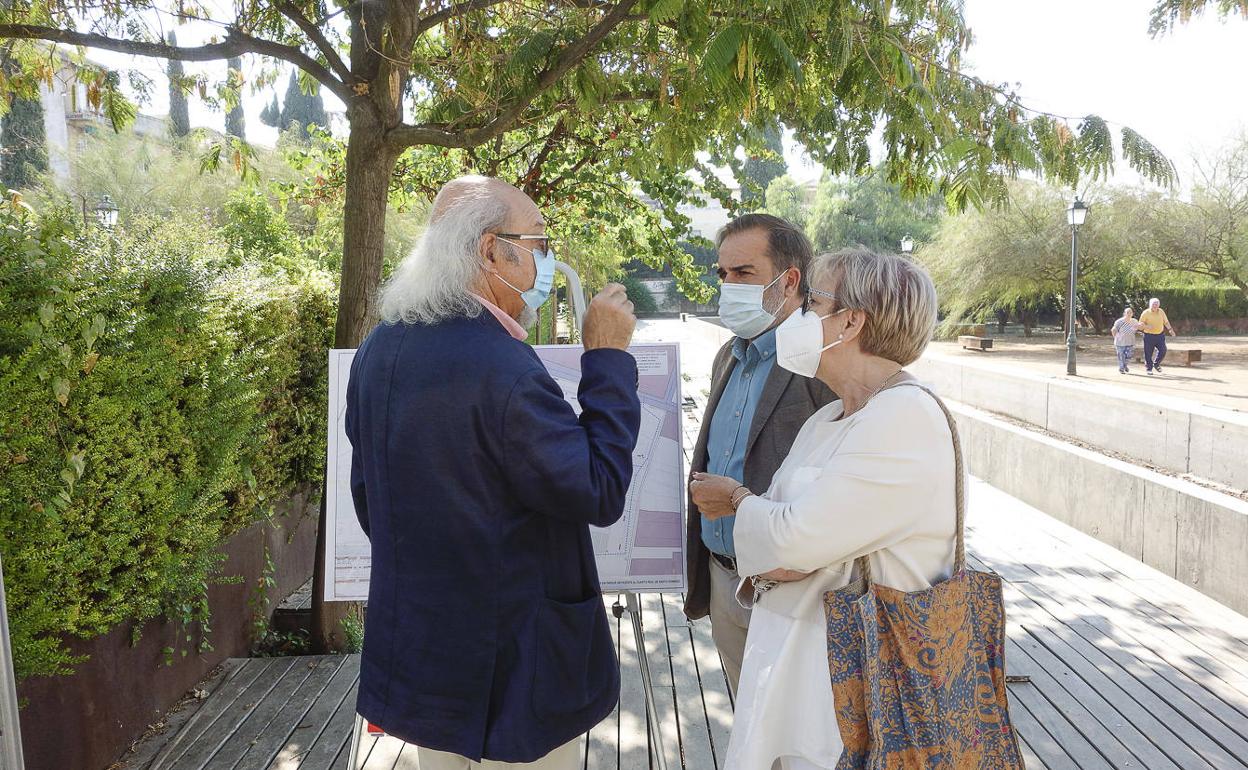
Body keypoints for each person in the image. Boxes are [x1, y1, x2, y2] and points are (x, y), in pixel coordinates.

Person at [345, 176, 642, 769]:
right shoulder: (500, 365)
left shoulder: (382, 346)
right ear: (488, 250)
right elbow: (598, 488)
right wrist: (608, 358)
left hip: (428, 648)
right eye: (537, 242)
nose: (546, 261)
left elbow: (368, 498)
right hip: (515, 661)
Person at [689, 248, 957, 770]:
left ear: (851, 321)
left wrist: (741, 503)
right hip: (804, 669)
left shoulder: (905, 416)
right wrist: (778, 536)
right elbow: (787, 547)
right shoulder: (833, 415)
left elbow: (789, 544)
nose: (798, 314)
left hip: (860, 684)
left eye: (811, 302)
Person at [683, 213, 835, 695]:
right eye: (722, 274)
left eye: (743, 273)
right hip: (723, 577)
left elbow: (835, 481)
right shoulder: (728, 354)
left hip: (795, 593)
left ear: (789, 281)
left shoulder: (822, 361)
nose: (728, 285)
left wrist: (738, 501)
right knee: (748, 736)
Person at [1139, 297, 1176, 375]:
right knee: (1148, 353)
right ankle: (1149, 368)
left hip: (1160, 335)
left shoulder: (1161, 311)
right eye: (1153, 304)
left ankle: (1156, 364)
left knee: (1163, 350)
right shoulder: (1145, 313)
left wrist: (1170, 330)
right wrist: (1146, 326)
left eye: (1157, 304)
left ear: (1159, 305)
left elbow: (1166, 322)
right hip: (1149, 336)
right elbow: (1140, 325)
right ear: (1150, 305)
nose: (1155, 306)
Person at [1111, 306, 1144, 374]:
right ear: (1124, 313)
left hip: (1130, 342)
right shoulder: (1119, 321)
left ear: (1132, 314)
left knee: (1129, 355)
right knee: (1121, 356)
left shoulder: (1134, 321)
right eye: (1127, 312)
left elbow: (1139, 327)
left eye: (1130, 312)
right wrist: (1116, 337)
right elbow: (1113, 329)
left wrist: (1141, 325)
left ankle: (1125, 365)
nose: (1129, 314)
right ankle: (1121, 368)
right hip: (1120, 343)